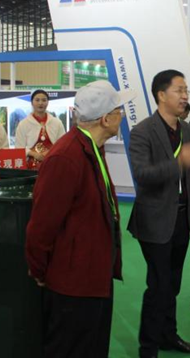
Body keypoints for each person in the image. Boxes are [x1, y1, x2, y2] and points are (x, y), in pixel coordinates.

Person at [25, 80, 129, 358]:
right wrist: (39, 271)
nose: (122, 116)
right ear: (105, 119)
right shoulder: (66, 157)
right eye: (118, 111)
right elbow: (41, 227)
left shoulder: (91, 148)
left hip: (93, 275)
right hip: (73, 284)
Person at [128, 70, 190, 357]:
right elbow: (142, 175)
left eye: (186, 90)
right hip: (154, 221)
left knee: (172, 284)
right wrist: (178, 164)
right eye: (180, 90)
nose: (185, 96)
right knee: (159, 284)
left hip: (182, 219)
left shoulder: (187, 129)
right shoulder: (142, 131)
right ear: (161, 95)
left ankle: (168, 336)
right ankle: (148, 347)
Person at [15, 89, 66, 170]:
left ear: (48, 102)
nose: (40, 103)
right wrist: (34, 154)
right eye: (37, 100)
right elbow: (19, 148)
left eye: (44, 100)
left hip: (53, 164)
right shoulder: (23, 124)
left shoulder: (57, 123)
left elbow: (63, 144)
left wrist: (50, 152)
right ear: (32, 102)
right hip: (30, 168)